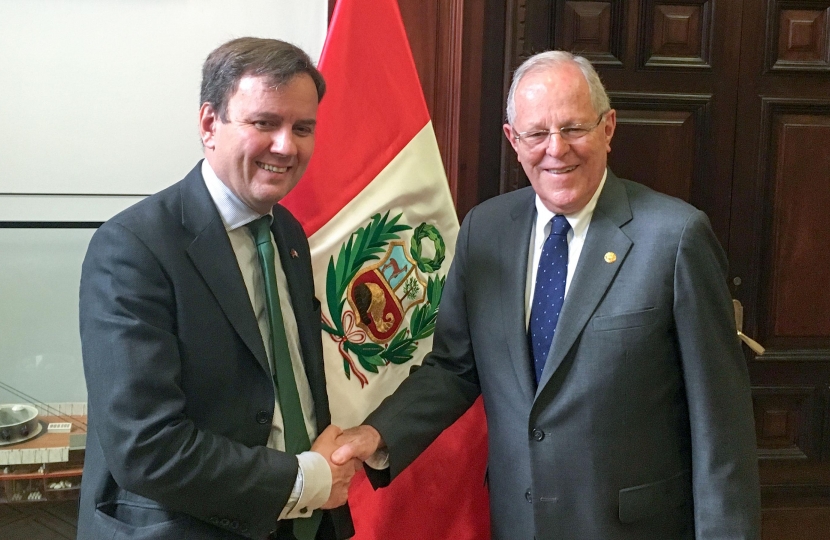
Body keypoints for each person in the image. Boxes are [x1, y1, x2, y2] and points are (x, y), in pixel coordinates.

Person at [332, 50, 761, 540]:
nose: (556, 149)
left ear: (608, 128)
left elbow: (720, 423)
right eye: (537, 133)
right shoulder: (485, 231)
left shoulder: (677, 237)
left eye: (574, 128)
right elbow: (454, 369)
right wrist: (378, 434)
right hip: (520, 522)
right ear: (514, 140)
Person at [79, 38, 355, 540]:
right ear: (209, 125)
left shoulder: (286, 233)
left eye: (303, 128)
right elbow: (147, 447)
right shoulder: (133, 248)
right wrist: (304, 479)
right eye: (264, 123)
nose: (286, 146)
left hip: (303, 524)